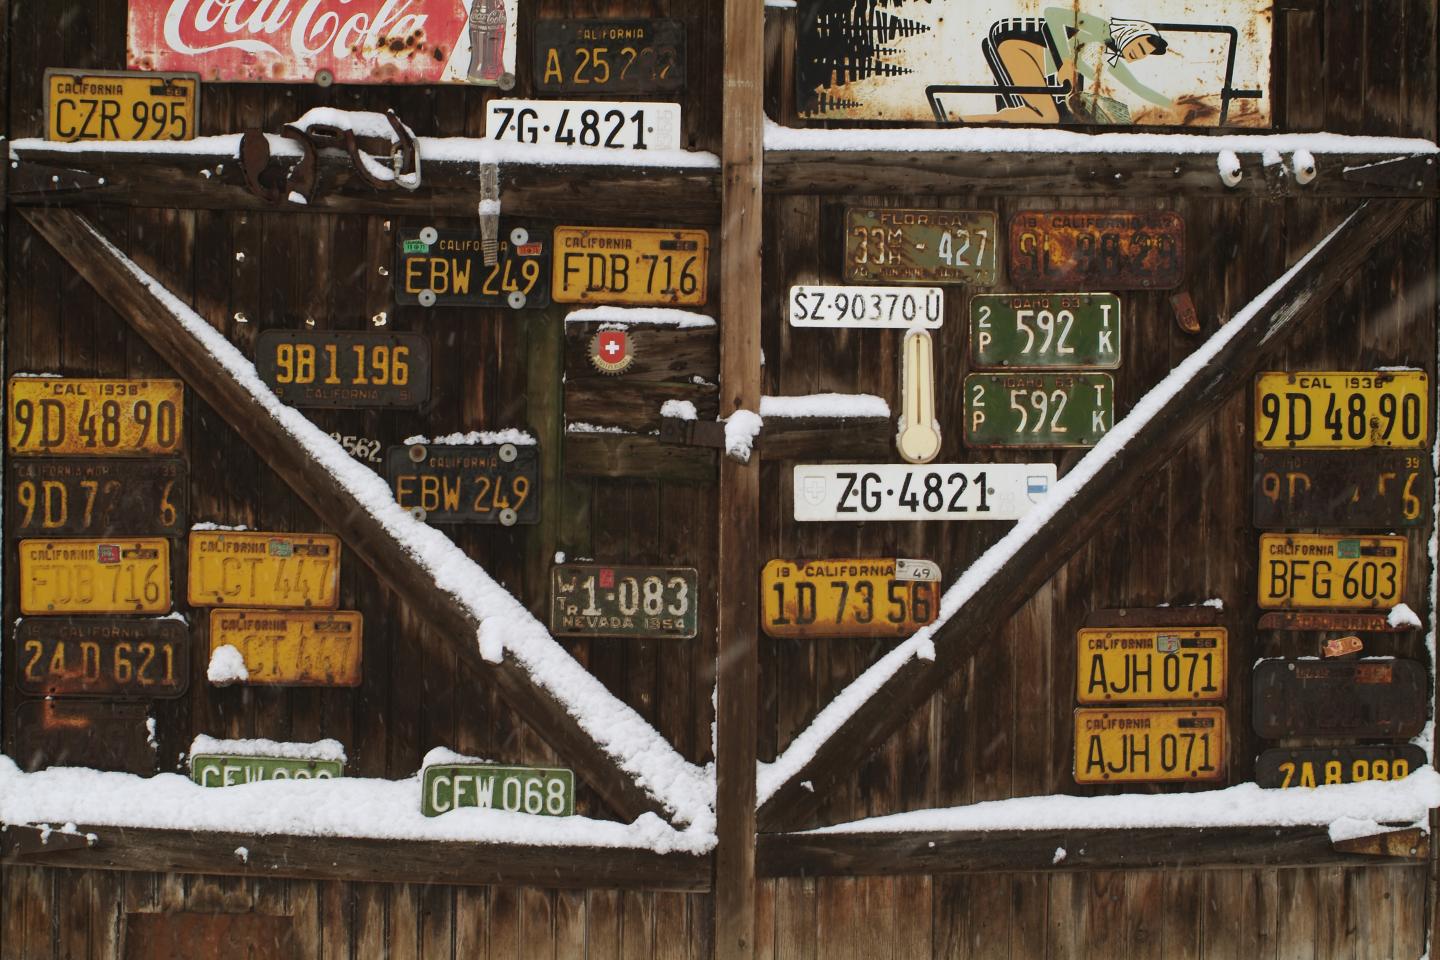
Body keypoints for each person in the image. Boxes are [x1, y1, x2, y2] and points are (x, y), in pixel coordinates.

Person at [959, 8, 1173, 124]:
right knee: (1048, 117)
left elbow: (1138, 87)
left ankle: (966, 122)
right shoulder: (1101, 28)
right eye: (1141, 47)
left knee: (1044, 117)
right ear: (1133, 32)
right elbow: (1052, 15)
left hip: (1032, 61)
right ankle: (962, 122)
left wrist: (1173, 106)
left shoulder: (1109, 58)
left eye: (1144, 55)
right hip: (1016, 47)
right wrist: (1065, 61)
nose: (1138, 56)